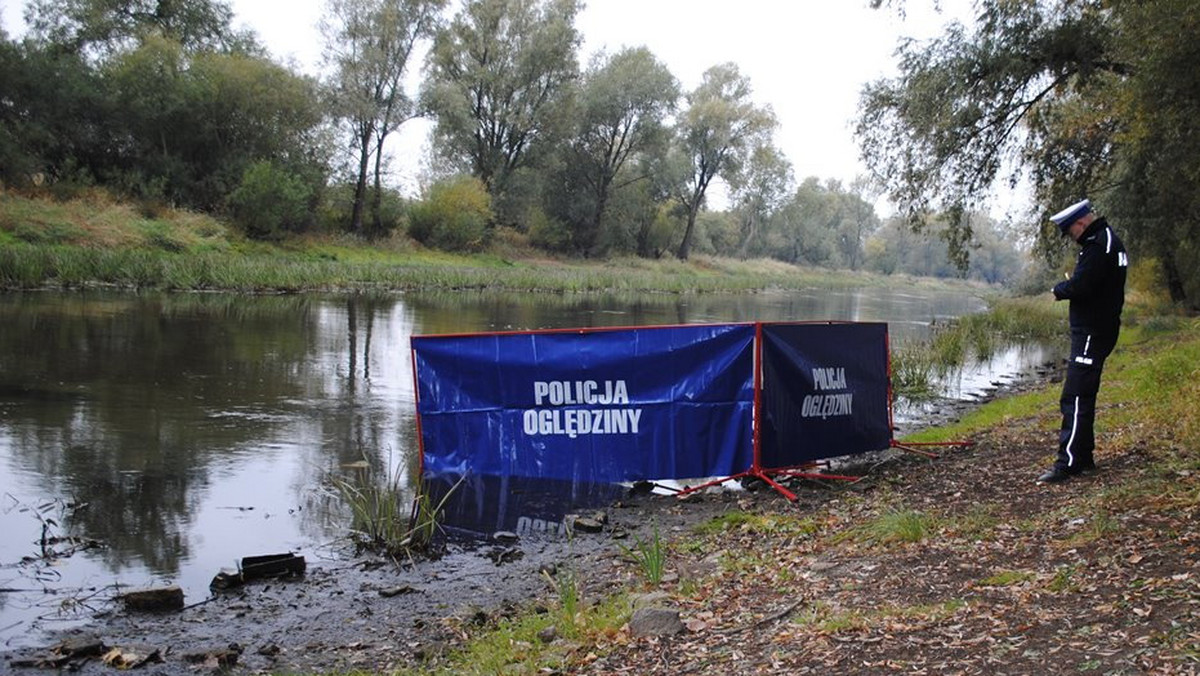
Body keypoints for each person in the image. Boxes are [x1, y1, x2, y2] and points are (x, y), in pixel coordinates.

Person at [1038, 199, 1128, 484]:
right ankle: (1084, 457)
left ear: (1080, 223)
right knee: (1084, 394)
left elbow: (1082, 285)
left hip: (1092, 331)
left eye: (1069, 232)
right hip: (1099, 329)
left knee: (1075, 396)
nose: (1071, 238)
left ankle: (1069, 463)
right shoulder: (1109, 240)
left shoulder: (1097, 246)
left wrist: (1058, 289)